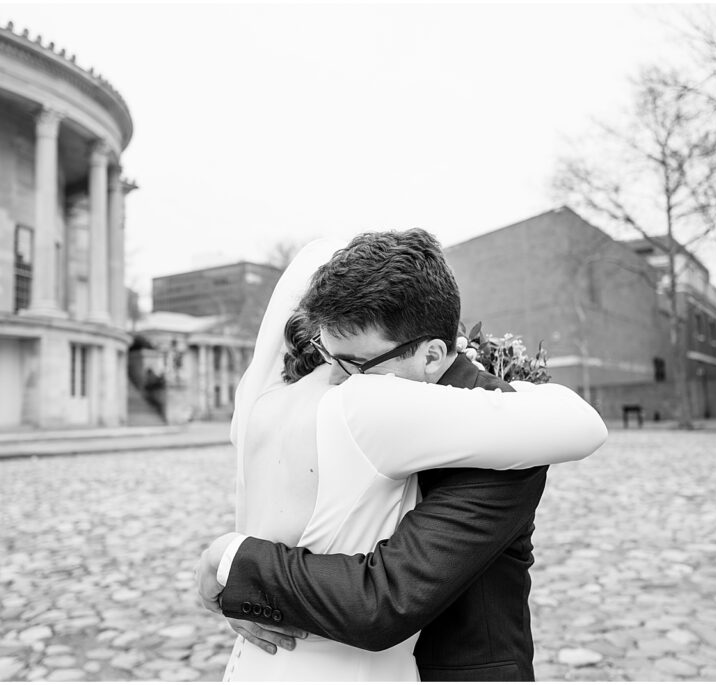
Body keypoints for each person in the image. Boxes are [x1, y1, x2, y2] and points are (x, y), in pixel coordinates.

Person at [197, 230, 608, 681]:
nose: (335, 377)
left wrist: (232, 561)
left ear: (433, 355)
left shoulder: (504, 426)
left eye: (354, 363)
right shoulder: (339, 397)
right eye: (326, 353)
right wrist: (241, 575)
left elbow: (380, 600)